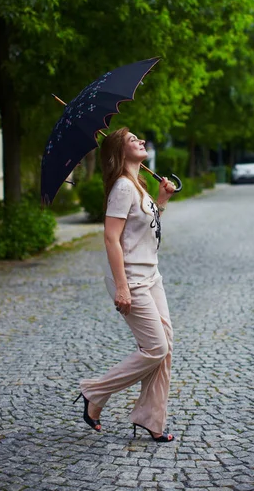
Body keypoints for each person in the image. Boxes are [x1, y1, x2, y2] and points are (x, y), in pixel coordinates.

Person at [74, 127, 176, 442]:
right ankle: (94, 391)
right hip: (132, 278)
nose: (141, 141)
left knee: (166, 347)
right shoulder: (122, 186)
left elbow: (145, 228)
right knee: (155, 348)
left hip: (151, 275)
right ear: (120, 151)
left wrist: (161, 201)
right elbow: (111, 237)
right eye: (133, 140)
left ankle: (150, 418)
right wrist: (122, 287)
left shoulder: (138, 186)